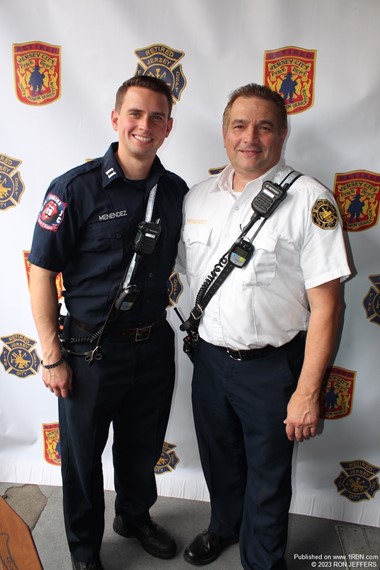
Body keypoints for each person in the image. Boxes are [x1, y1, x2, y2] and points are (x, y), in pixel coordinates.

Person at [180, 83, 350, 569]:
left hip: (273, 369)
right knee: (218, 459)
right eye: (239, 125)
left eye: (264, 126)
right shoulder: (196, 199)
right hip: (210, 361)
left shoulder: (310, 201)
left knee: (269, 476)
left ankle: (261, 561)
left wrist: (307, 392)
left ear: (282, 134)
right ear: (224, 131)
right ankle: (223, 528)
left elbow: (329, 307)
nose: (249, 137)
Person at [28, 75, 188, 570]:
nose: (145, 124)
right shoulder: (74, 188)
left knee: (141, 447)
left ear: (168, 127)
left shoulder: (177, 191)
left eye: (156, 116)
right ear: (116, 119)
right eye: (135, 114)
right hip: (87, 350)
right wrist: (51, 355)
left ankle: (134, 516)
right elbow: (41, 271)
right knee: (82, 460)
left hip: (152, 345)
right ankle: (83, 550)